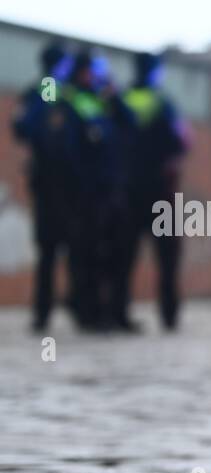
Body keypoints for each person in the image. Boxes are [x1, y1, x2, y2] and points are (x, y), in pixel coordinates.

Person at [118, 51, 188, 330]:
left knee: (123, 257)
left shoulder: (121, 101)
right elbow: (182, 142)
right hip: (160, 191)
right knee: (168, 258)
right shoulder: (163, 104)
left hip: (126, 190)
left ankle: (119, 312)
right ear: (155, 72)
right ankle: (169, 314)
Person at [61, 49, 128, 331]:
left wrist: (114, 95)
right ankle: (87, 313)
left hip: (108, 190)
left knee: (110, 254)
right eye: (91, 70)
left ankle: (109, 312)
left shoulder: (101, 100)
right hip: (85, 193)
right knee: (85, 254)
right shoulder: (68, 99)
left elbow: (128, 124)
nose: (95, 76)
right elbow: (70, 151)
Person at [10, 41, 71, 332]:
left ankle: (49, 310)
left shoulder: (44, 88)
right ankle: (54, 309)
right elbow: (41, 126)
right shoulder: (50, 88)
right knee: (56, 248)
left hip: (51, 179)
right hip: (56, 180)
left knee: (51, 249)